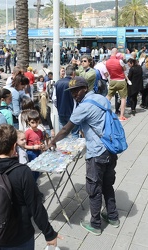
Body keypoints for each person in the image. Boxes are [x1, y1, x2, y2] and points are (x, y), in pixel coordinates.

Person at [49, 76, 120, 236]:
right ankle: (113, 216)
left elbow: (66, 129)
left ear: (85, 88)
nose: (74, 94)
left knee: (94, 187)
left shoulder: (84, 107)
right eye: (72, 91)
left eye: (76, 90)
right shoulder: (101, 99)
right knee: (107, 184)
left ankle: (95, 224)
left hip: (97, 152)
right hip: (111, 148)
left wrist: (53, 141)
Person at [0, 124, 62, 249]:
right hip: (19, 236)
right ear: (14, 146)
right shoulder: (22, 172)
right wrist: (49, 233)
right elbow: (35, 206)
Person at [52, 65, 79, 138]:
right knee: (74, 133)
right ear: (73, 73)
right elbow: (76, 99)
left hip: (61, 112)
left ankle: (64, 149)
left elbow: (54, 98)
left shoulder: (58, 83)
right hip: (72, 113)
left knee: (63, 134)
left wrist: (58, 107)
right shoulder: (74, 83)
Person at [105, 48, 128, 121]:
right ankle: (121, 116)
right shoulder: (120, 61)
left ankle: (103, 111)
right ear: (117, 53)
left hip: (112, 80)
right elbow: (124, 69)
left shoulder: (107, 62)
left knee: (108, 97)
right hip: (121, 80)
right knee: (123, 98)